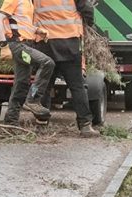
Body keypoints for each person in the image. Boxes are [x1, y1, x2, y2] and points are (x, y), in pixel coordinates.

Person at [33, 0, 100, 137]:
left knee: (44, 87)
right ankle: (85, 126)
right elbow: (86, 9)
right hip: (68, 43)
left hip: (45, 43)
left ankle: (41, 124)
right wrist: (89, 24)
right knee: (77, 87)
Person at [0, 0, 55, 125]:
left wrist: (37, 30)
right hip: (18, 46)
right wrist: (4, 46)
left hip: (26, 44)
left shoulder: (28, 2)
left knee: (21, 84)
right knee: (47, 63)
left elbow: (22, 24)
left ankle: (10, 122)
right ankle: (33, 99)